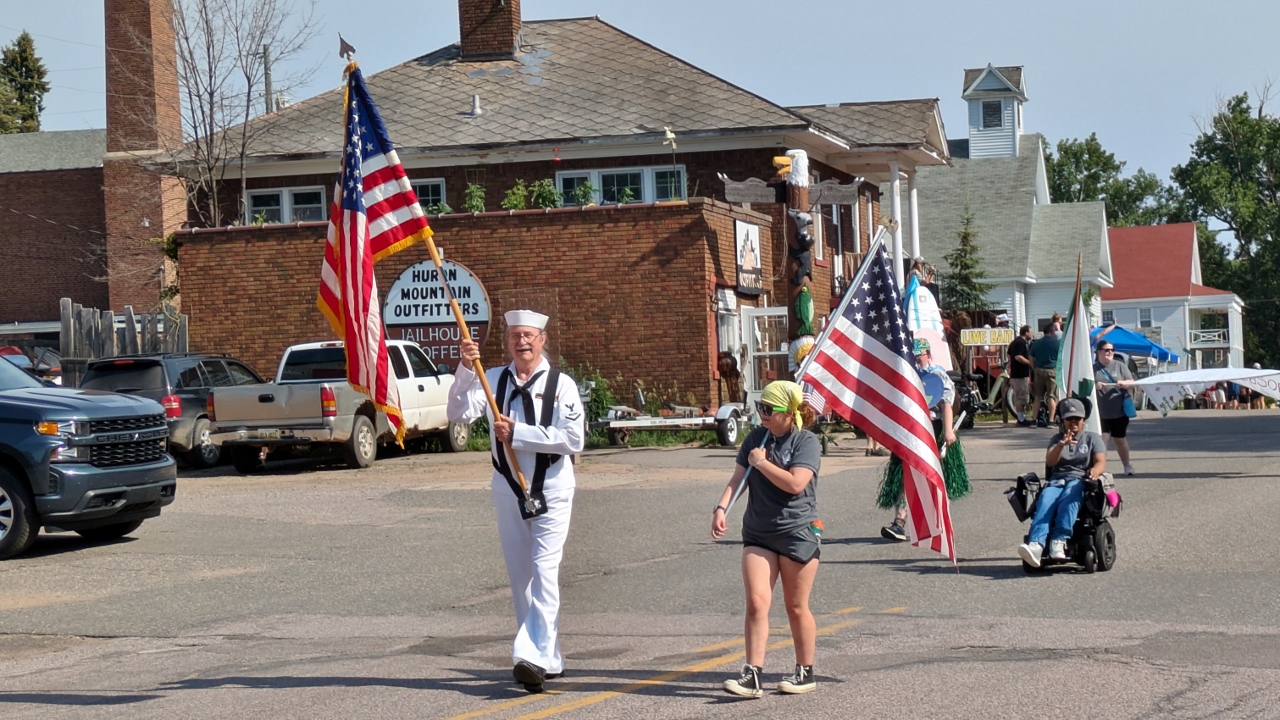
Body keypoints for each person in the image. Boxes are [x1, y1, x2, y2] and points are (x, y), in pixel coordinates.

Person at [447, 310, 585, 694]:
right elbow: (457, 412)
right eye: (513, 336)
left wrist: (519, 433)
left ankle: (531, 656)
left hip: (552, 489)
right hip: (508, 489)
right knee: (521, 578)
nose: (520, 342)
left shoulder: (561, 385)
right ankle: (548, 656)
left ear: (542, 339)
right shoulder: (492, 380)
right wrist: (463, 366)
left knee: (544, 571)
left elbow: (573, 439)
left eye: (528, 335)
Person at [712, 380, 822, 698]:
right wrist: (722, 508)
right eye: (760, 408)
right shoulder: (756, 438)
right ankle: (753, 674)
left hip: (797, 532)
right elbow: (737, 479)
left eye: (769, 410)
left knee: (796, 606)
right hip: (758, 533)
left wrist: (761, 462)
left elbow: (795, 483)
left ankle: (805, 671)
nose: (762, 415)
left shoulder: (806, 442)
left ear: (788, 412)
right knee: (757, 602)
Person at [880, 338, 959, 542]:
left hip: (934, 429)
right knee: (904, 476)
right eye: (913, 356)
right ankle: (899, 523)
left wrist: (949, 431)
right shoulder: (906, 375)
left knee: (935, 477)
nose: (917, 360)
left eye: (920, 356)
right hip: (910, 430)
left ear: (928, 355)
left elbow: (946, 404)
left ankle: (940, 522)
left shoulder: (938, 375)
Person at [1017, 398, 1106, 568]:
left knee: (1069, 498)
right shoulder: (1057, 439)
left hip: (1079, 480)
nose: (1073, 422)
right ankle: (1036, 545)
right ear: (1063, 420)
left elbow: (1101, 461)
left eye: (1077, 419)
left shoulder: (1092, 439)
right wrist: (1061, 445)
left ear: (1084, 420)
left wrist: (1095, 470)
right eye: (1069, 419)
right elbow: (1050, 462)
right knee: (1045, 501)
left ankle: (1058, 540)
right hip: (1057, 480)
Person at [1093, 341, 1137, 476]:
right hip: (1101, 413)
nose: (1110, 352)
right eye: (1106, 350)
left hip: (1119, 411)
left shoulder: (1120, 366)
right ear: (1098, 352)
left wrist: (1124, 383)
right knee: (1103, 440)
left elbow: (1132, 383)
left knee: (1120, 439)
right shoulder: (1092, 368)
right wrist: (1095, 386)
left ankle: (1127, 466)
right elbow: (1085, 386)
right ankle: (1100, 469)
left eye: (1112, 350)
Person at [1029, 323, 1060, 427]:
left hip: (1039, 370)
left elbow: (1031, 357)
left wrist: (1034, 368)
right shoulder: (1057, 343)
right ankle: (1051, 421)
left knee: (1038, 396)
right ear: (1052, 331)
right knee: (1051, 396)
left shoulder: (1036, 343)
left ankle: (1034, 420)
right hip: (1052, 370)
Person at [1008, 325, 1034, 426]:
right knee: (1021, 398)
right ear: (1026, 332)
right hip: (1020, 375)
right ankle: (1021, 419)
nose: (1031, 334)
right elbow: (1018, 357)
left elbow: (1009, 354)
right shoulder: (1021, 343)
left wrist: (1010, 365)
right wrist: (1030, 363)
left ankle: (1021, 418)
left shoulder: (1014, 342)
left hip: (1014, 374)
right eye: (1030, 332)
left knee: (1019, 397)